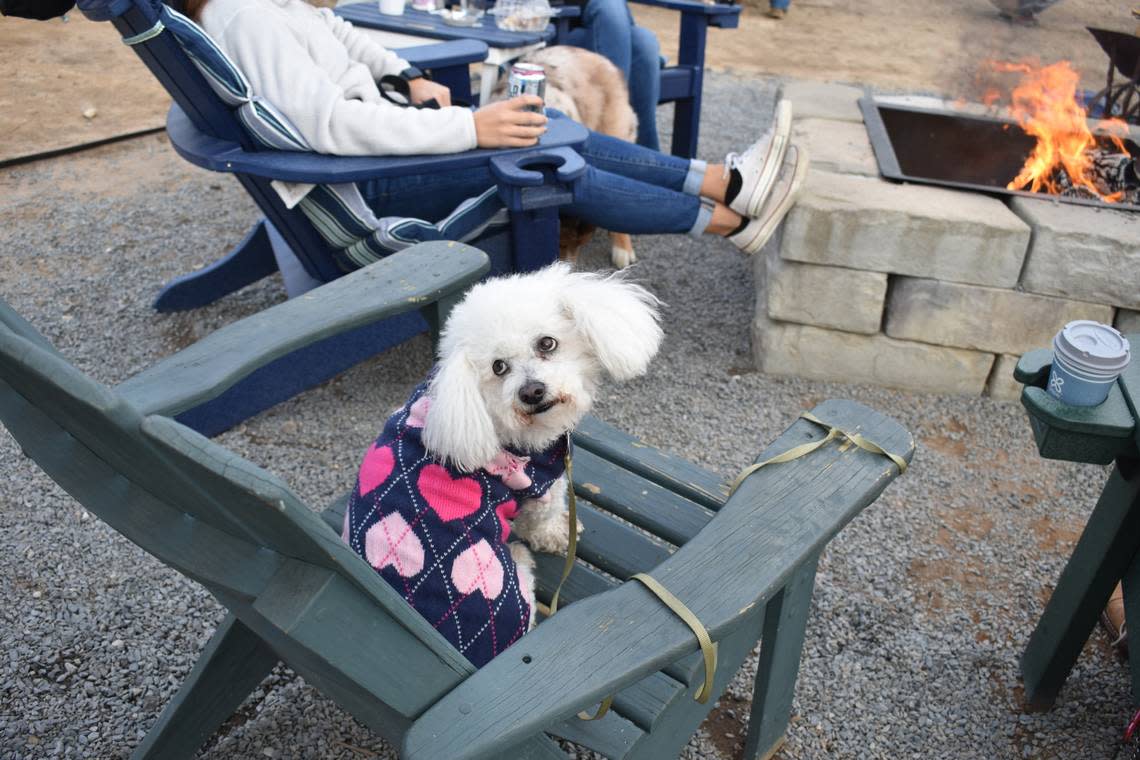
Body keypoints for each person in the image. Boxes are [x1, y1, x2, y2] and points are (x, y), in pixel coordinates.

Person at [184, 0, 805, 256]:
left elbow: (340, 35)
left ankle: (726, 185)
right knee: (545, 160)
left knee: (544, 123)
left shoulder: (268, 7)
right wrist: (468, 129)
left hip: (371, 158)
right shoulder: (247, 19)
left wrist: (407, 74)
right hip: (361, 183)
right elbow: (328, 125)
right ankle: (728, 214)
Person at [560, 0, 662, 150]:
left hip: (600, 30)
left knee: (644, 42)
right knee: (608, 4)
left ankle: (646, 155)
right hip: (556, 28)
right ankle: (622, 148)